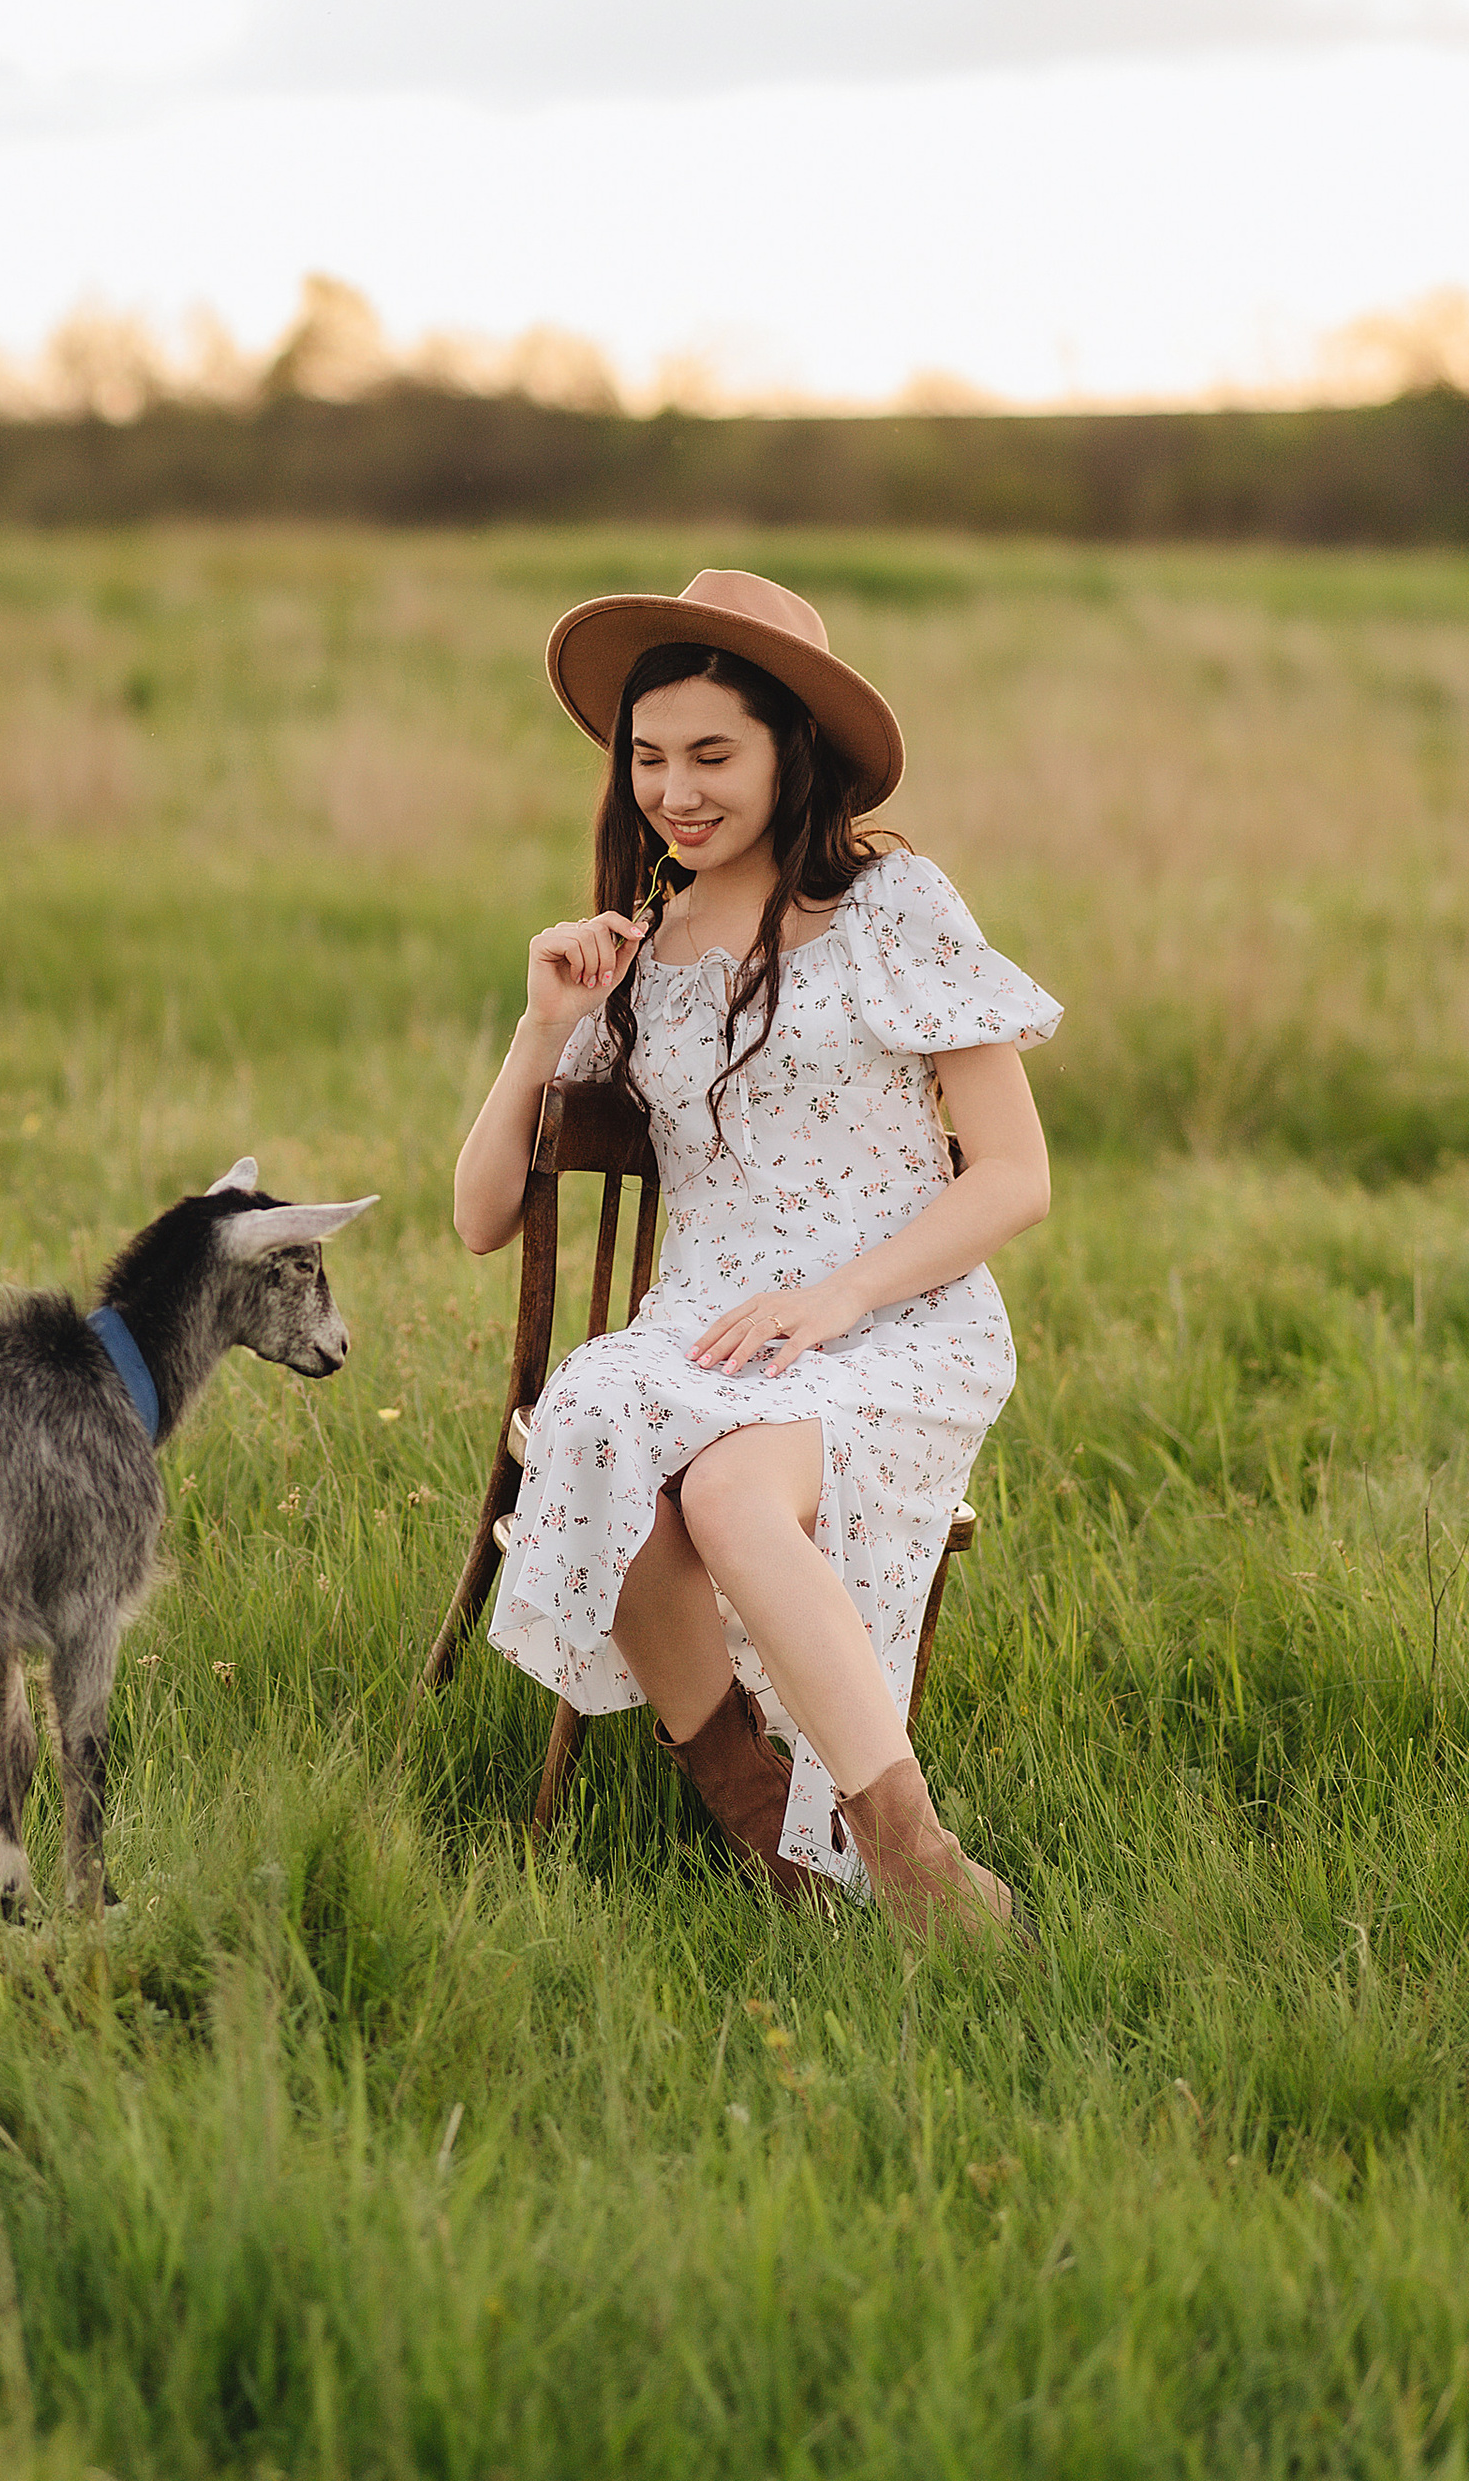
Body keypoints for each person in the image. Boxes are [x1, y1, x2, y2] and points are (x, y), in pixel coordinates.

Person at [451, 568, 1060, 1937]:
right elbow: (481, 1215)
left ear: (794, 753)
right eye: (650, 756)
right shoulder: (642, 945)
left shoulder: (897, 907)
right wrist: (543, 1027)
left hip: (895, 1314)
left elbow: (1016, 1178)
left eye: (713, 753)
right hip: (712, 1323)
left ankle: (907, 1856)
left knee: (724, 1492)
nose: (677, 787)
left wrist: (836, 1296)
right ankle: (759, 1823)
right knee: (598, 1415)